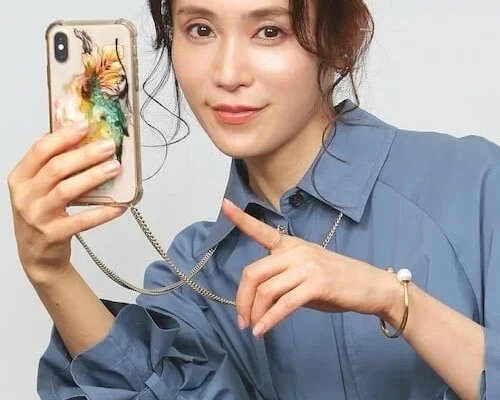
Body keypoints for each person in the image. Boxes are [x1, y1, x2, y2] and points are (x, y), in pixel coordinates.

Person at [7, 0, 500, 398]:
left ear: (342, 40)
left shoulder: (474, 183)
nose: (228, 73)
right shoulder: (190, 279)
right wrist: (52, 273)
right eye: (200, 29)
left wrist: (392, 299)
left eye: (269, 31)